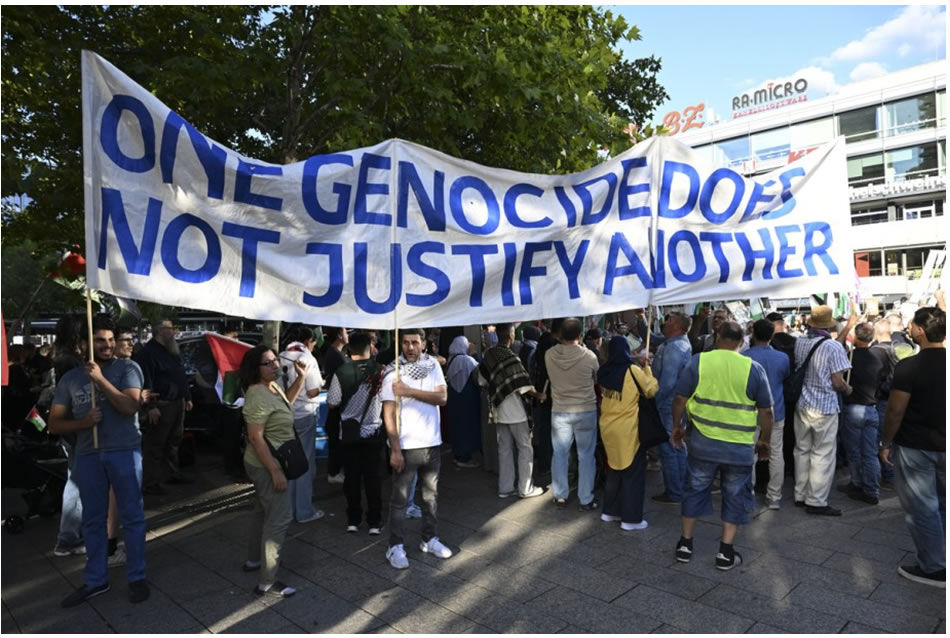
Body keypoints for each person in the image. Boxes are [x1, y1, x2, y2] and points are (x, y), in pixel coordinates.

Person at [50, 314, 149, 607]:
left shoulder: (129, 368)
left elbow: (129, 406)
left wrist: (100, 380)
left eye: (109, 340)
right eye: (99, 341)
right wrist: (82, 423)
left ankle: (137, 577)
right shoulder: (70, 379)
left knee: (132, 517)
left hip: (124, 451)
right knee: (92, 520)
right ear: (84, 345)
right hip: (88, 455)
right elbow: (55, 423)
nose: (107, 346)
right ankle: (95, 580)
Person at [671, 321, 774, 570]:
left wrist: (677, 426)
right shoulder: (754, 368)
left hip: (703, 444)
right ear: (742, 341)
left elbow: (680, 398)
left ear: (717, 337)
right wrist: (764, 441)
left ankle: (685, 544)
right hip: (738, 448)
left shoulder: (699, 362)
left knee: (694, 490)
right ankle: (725, 552)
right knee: (735, 495)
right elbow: (767, 412)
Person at [879, 306, 945, 588]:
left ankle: (934, 567)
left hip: (915, 446)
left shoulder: (909, 367)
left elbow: (895, 412)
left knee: (923, 508)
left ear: (919, 330)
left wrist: (886, 442)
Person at [239, 345, 308, 598]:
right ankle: (268, 580)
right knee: (279, 518)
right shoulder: (257, 394)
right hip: (266, 463)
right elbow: (256, 438)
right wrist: (276, 471)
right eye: (268, 363)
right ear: (255, 369)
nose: (275, 366)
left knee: (261, 511)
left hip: (267, 461)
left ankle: (254, 560)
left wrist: (300, 378)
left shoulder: (273, 386)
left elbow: (286, 403)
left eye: (275, 361)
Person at [381, 328, 452, 570]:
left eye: (414, 342)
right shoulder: (392, 371)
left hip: (432, 443)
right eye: (406, 342)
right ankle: (395, 545)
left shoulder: (433, 365)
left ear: (423, 344)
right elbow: (388, 412)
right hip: (407, 445)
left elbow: (442, 398)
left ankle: (429, 539)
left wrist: (409, 391)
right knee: (400, 501)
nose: (410, 347)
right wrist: (395, 448)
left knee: (430, 497)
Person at [793, 305, 852, 516]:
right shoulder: (832, 347)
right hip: (824, 406)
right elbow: (838, 382)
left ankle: (800, 494)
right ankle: (816, 500)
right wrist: (848, 388)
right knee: (823, 454)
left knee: (802, 450)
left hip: (803, 403)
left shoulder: (800, 342)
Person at [477, 323, 546, 499]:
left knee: (505, 449)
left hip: (497, 410)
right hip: (516, 412)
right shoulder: (511, 358)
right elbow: (523, 385)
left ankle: (505, 488)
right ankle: (525, 488)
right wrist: (538, 394)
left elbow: (482, 381)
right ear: (511, 336)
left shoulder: (489, 355)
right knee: (525, 448)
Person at [326, 332, 386, 534]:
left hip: (349, 435)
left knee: (352, 478)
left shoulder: (341, 372)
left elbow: (332, 403)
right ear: (370, 348)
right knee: (373, 478)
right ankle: (375, 522)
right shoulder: (381, 371)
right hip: (374, 433)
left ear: (349, 349)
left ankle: (353, 520)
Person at [597, 336, 658, 530]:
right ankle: (631, 520)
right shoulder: (632, 370)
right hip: (628, 429)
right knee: (632, 472)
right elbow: (650, 390)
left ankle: (610, 511)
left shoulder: (603, 371)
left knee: (614, 470)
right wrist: (648, 370)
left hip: (607, 426)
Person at [545, 317, 600, 510]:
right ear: (580, 334)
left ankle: (560, 494)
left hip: (560, 410)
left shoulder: (549, 355)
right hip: (586, 409)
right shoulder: (590, 356)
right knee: (586, 455)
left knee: (559, 453)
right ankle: (586, 497)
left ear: (560, 333)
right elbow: (596, 377)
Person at [133, 319, 193, 495]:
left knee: (174, 440)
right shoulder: (148, 353)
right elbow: (146, 380)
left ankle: (171, 473)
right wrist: (151, 406)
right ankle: (150, 482)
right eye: (170, 328)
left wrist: (186, 396)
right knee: (156, 444)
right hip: (162, 404)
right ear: (160, 331)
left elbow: (180, 375)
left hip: (177, 402)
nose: (173, 332)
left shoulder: (171, 351)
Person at [838, 322, 892, 505]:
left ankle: (858, 483)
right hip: (872, 409)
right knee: (870, 453)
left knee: (854, 452)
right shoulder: (879, 358)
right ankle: (872, 490)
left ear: (855, 337)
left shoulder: (849, 358)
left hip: (854, 408)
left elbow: (841, 382)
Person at [50, 314, 89, 558]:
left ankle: (71, 535)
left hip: (71, 425)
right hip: (74, 426)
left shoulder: (63, 357)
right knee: (76, 482)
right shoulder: (69, 361)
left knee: (76, 480)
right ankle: (68, 538)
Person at [278, 327, 325, 523]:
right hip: (305, 414)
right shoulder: (308, 358)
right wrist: (321, 383)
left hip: (284, 414)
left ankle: (287, 510)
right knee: (304, 463)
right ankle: (304, 511)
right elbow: (313, 391)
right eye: (314, 342)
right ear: (308, 341)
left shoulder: (280, 355)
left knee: (287, 463)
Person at [743, 320, 790, 510]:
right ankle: (774, 497)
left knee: (749, 455)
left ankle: (749, 493)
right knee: (776, 453)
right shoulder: (783, 358)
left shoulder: (745, 357)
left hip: (750, 413)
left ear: (753, 333)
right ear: (772, 335)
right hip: (775, 410)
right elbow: (784, 377)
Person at [651, 312, 693, 504]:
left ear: (676, 325)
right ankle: (680, 486)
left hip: (668, 405)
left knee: (669, 447)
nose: (664, 322)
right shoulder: (672, 345)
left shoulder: (675, 348)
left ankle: (675, 491)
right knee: (676, 445)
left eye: (669, 320)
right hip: (674, 404)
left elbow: (667, 383)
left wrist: (654, 401)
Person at [531, 319, 563, 475]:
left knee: (544, 428)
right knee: (551, 431)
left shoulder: (541, 342)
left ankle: (543, 463)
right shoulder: (553, 346)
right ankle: (547, 464)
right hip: (552, 392)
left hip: (542, 390)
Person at [445, 336, 481, 468]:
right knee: (467, 426)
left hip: (455, 398)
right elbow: (480, 370)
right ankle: (464, 457)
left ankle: (458, 453)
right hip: (467, 398)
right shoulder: (466, 360)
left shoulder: (452, 359)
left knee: (457, 426)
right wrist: (474, 354)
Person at [321, 327, 349, 484]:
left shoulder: (335, 354)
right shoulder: (336, 356)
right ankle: (334, 472)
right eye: (345, 332)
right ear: (339, 336)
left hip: (337, 403)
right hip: (337, 403)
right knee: (335, 438)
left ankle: (335, 470)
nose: (348, 335)